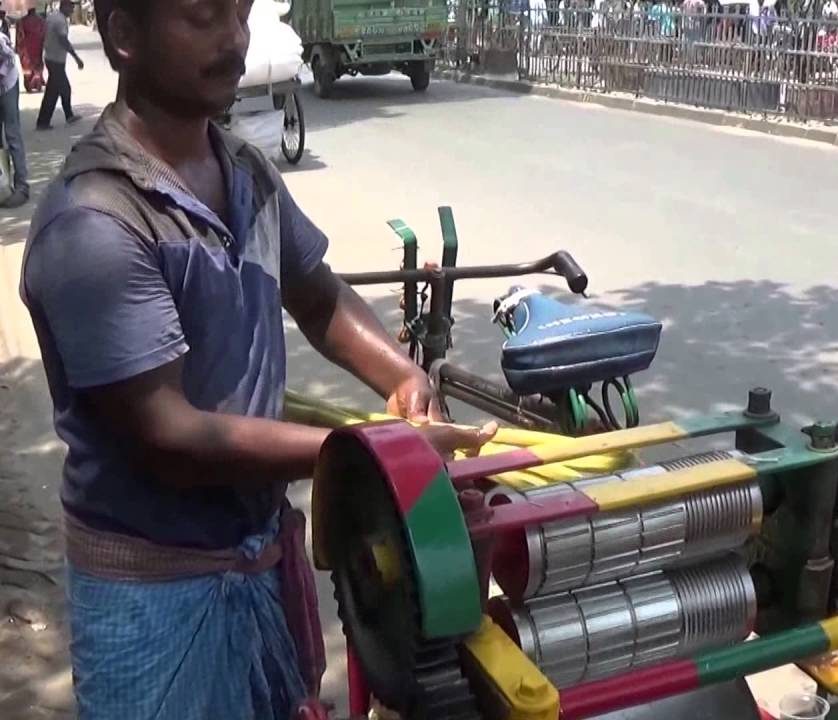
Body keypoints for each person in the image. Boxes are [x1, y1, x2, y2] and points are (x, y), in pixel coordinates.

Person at [19, 0, 497, 717]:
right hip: (153, 603)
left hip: (260, 557)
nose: (234, 39)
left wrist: (402, 374)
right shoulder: (95, 224)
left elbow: (318, 295)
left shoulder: (245, 170)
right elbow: (170, 438)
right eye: (203, 17)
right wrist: (365, 452)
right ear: (122, 35)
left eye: (239, 14)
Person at [36, 0, 83, 130]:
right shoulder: (60, 21)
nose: (72, 10)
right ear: (65, 6)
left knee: (55, 90)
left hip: (51, 57)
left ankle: (48, 120)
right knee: (61, 89)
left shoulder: (53, 16)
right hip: (56, 60)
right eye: (71, 7)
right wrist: (76, 57)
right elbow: (63, 40)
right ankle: (50, 120)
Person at [0, 16, 29, 207]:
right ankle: (3, 184)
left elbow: (10, 59)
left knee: (12, 133)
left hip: (7, 83)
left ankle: (22, 186)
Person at [16, 7, 46, 93]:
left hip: (26, 49)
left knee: (27, 67)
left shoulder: (21, 21)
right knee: (37, 66)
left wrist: (18, 48)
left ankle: (30, 85)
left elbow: (19, 36)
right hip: (37, 48)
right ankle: (37, 83)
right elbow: (44, 34)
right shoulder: (41, 21)